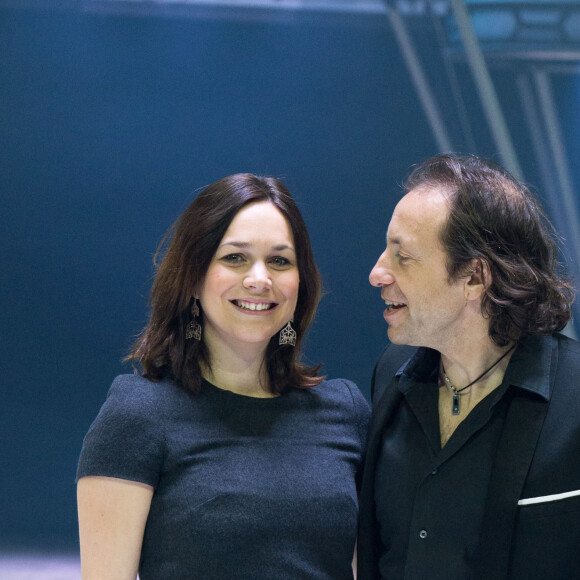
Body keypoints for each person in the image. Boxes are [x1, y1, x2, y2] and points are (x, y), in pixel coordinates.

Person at [77, 173, 370, 580]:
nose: (259, 279)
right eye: (235, 257)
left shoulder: (346, 411)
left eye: (280, 261)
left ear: (301, 283)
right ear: (194, 278)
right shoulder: (136, 415)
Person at [357, 153, 580, 579]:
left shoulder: (575, 396)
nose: (377, 274)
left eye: (403, 257)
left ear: (475, 277)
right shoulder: (391, 374)